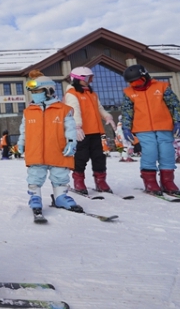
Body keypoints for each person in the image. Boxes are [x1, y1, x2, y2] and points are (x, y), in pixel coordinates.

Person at [17, 71, 81, 214]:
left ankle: (61, 196)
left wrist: (71, 142)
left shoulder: (63, 110)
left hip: (58, 150)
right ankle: (35, 197)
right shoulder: (29, 111)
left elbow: (70, 127)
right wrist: (21, 142)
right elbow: (24, 129)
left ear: (49, 91)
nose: (34, 94)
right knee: (35, 175)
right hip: (36, 151)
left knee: (60, 174)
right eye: (33, 92)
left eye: (38, 91)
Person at [121, 64, 180, 195]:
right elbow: (127, 112)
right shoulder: (129, 93)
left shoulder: (162, 87)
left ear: (145, 76)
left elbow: (174, 105)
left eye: (138, 81)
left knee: (167, 152)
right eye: (132, 83)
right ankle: (150, 181)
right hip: (143, 128)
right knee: (150, 152)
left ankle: (167, 181)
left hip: (164, 126)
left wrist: (178, 121)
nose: (136, 85)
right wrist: (126, 127)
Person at [64, 67, 116, 194]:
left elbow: (99, 108)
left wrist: (107, 116)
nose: (89, 81)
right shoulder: (72, 93)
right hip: (82, 132)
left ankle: (100, 180)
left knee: (99, 157)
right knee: (81, 157)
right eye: (87, 78)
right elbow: (74, 110)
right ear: (77, 79)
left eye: (91, 78)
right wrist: (76, 126)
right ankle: (79, 180)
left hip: (95, 131)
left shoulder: (92, 93)